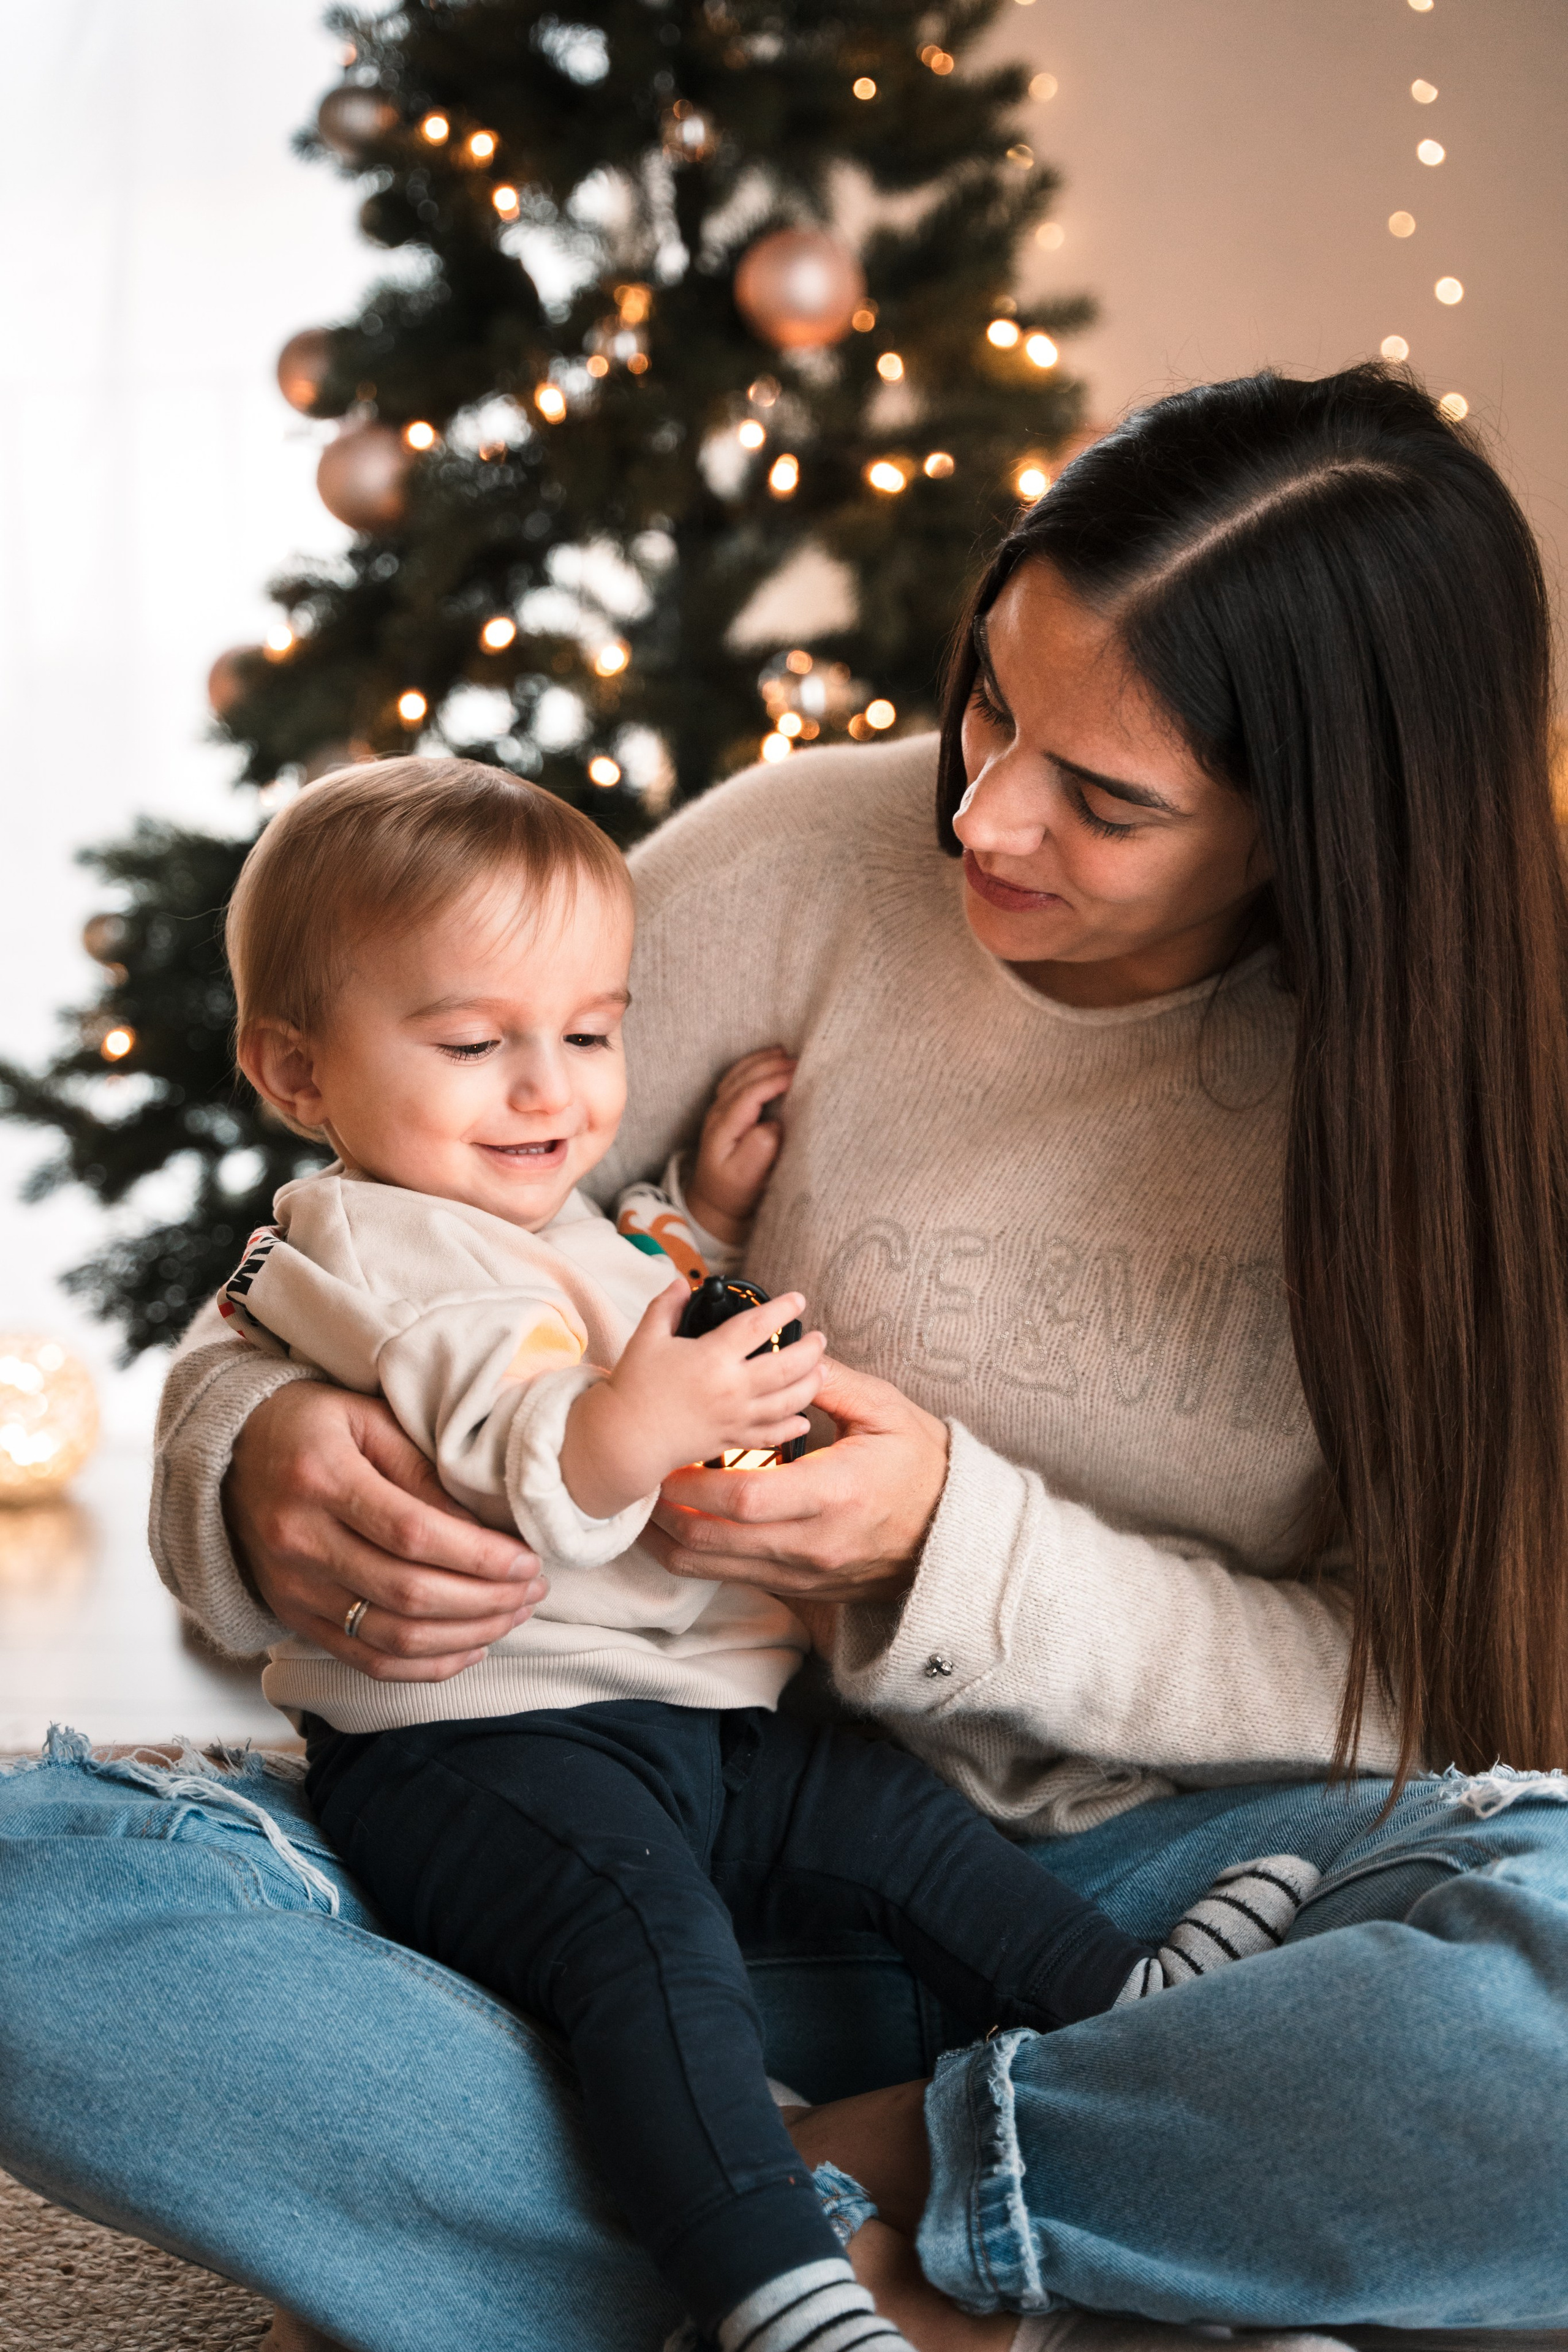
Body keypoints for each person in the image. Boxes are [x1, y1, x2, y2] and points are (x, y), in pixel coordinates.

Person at [4, 364, 1567, 2346]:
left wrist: (949, 1553)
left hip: (1165, 1897)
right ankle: (1050, 2235)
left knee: (1549, 1956)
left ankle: (808, 2208)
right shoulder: (802, 859)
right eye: (998, 699)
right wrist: (246, 1457)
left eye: (1109, 797)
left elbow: (1448, 1685)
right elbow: (382, 1213)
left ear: (1322, 828)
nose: (984, 813)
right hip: (590, 1822)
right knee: (38, 1898)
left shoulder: (1483, 1115)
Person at [214, 756, 1311, 2352]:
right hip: (485, 1751)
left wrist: (699, 1226)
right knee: (648, 1965)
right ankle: (772, 2287)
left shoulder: (522, 1217)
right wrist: (653, 1412)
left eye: (593, 1036)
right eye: (474, 1047)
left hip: (691, 1716)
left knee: (902, 1829)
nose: (553, 1094)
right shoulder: (382, 1252)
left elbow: (595, 1303)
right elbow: (540, 1463)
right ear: (295, 1071)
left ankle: (1115, 2004)